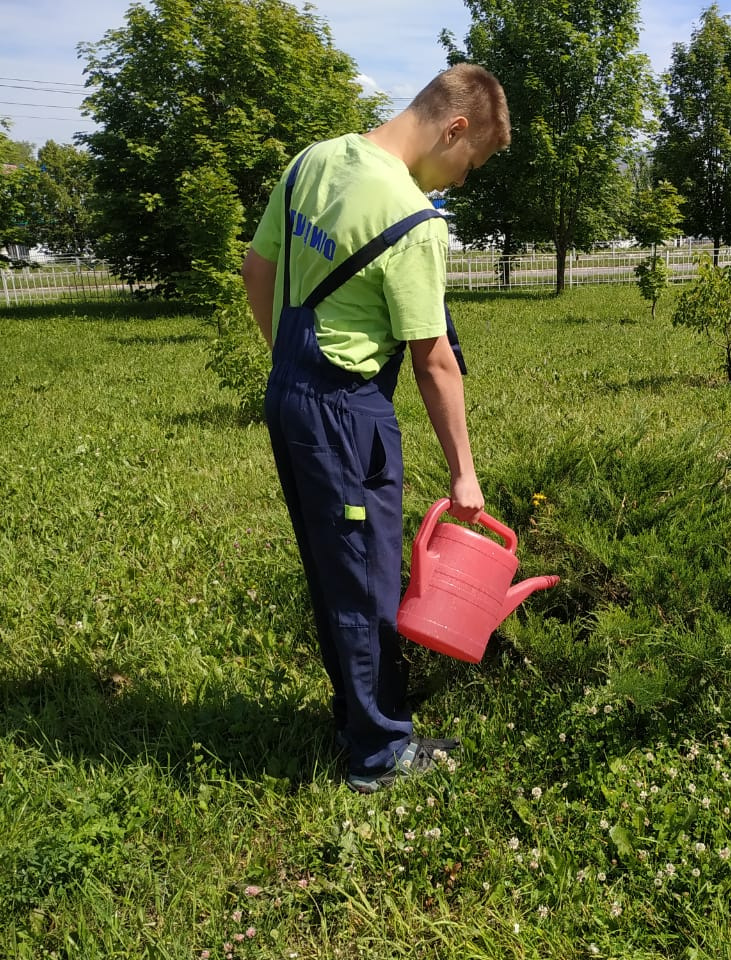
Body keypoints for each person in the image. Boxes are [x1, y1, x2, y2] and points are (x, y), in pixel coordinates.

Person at [241, 63, 511, 794]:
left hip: (290, 392)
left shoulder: (314, 161)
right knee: (363, 582)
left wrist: (289, 365)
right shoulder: (415, 222)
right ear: (455, 128)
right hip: (347, 410)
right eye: (470, 164)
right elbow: (435, 363)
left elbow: (257, 267)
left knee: (337, 572)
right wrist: (464, 473)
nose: (459, 181)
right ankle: (378, 757)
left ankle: (358, 719)